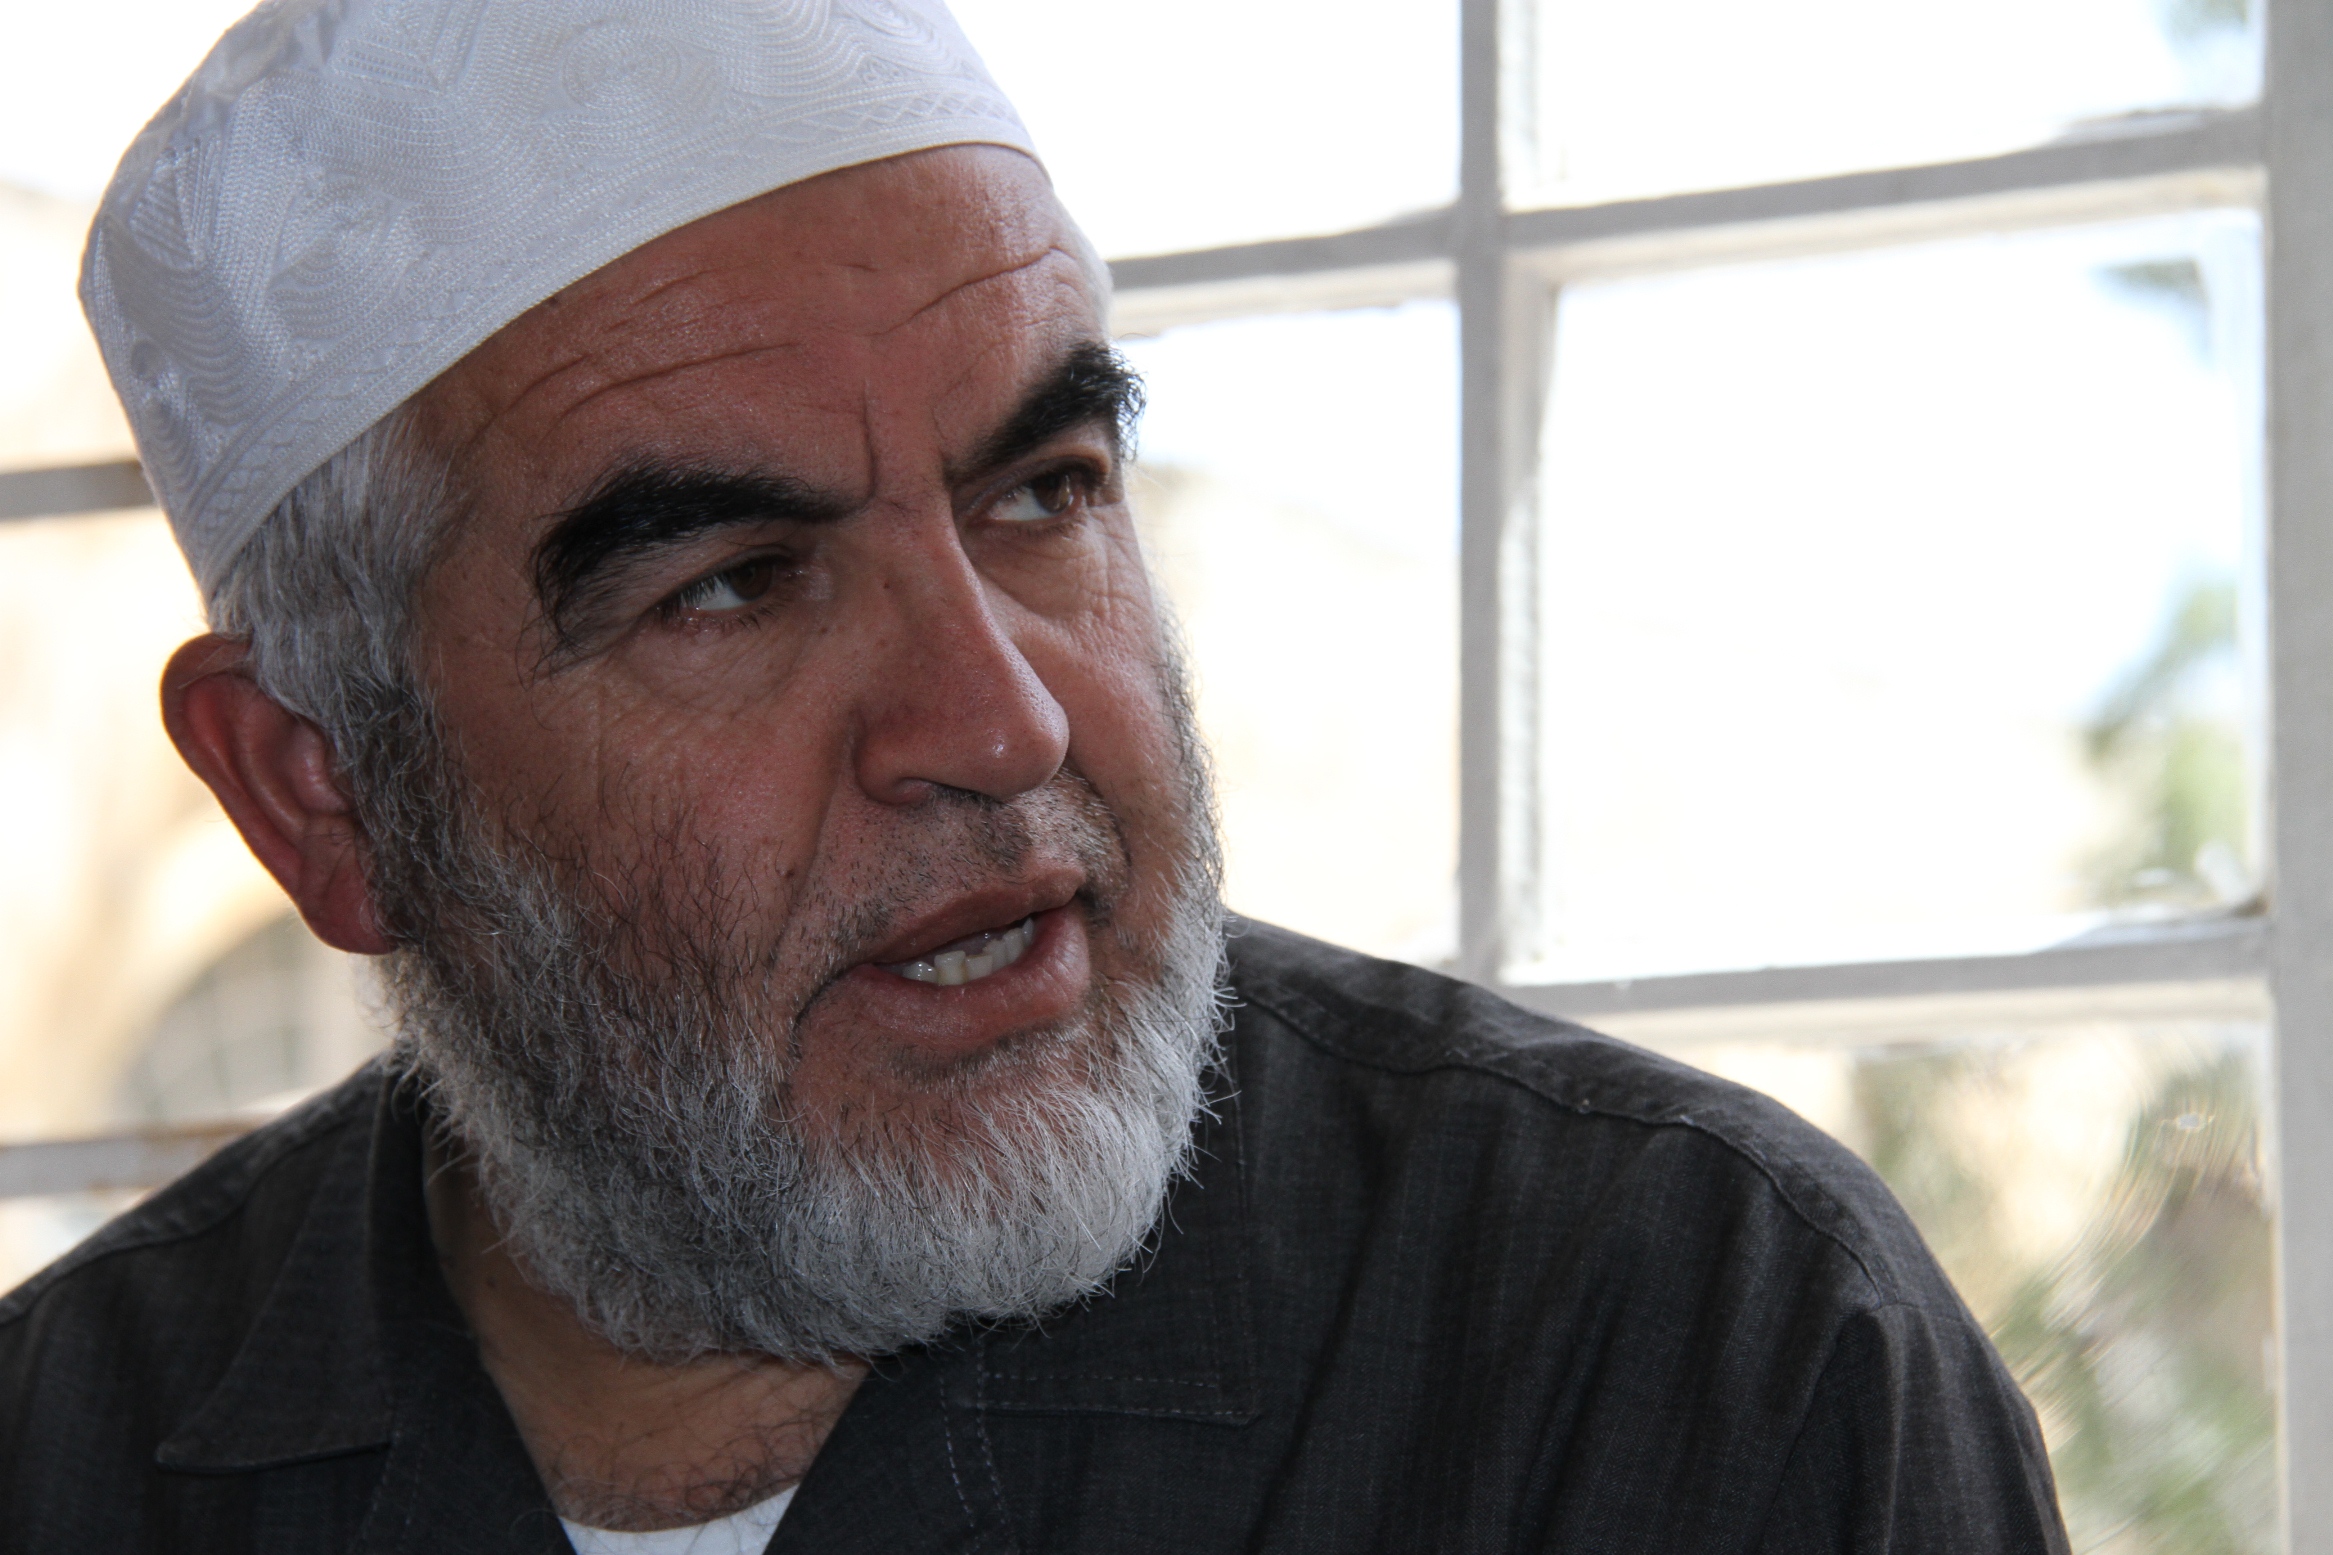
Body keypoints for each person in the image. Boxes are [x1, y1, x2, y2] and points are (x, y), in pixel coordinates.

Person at [0, 2, 2070, 1550]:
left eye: (1044, 490)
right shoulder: (62, 1459)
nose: (1002, 725)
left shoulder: (1686, 1356)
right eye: (732, 587)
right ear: (322, 794)